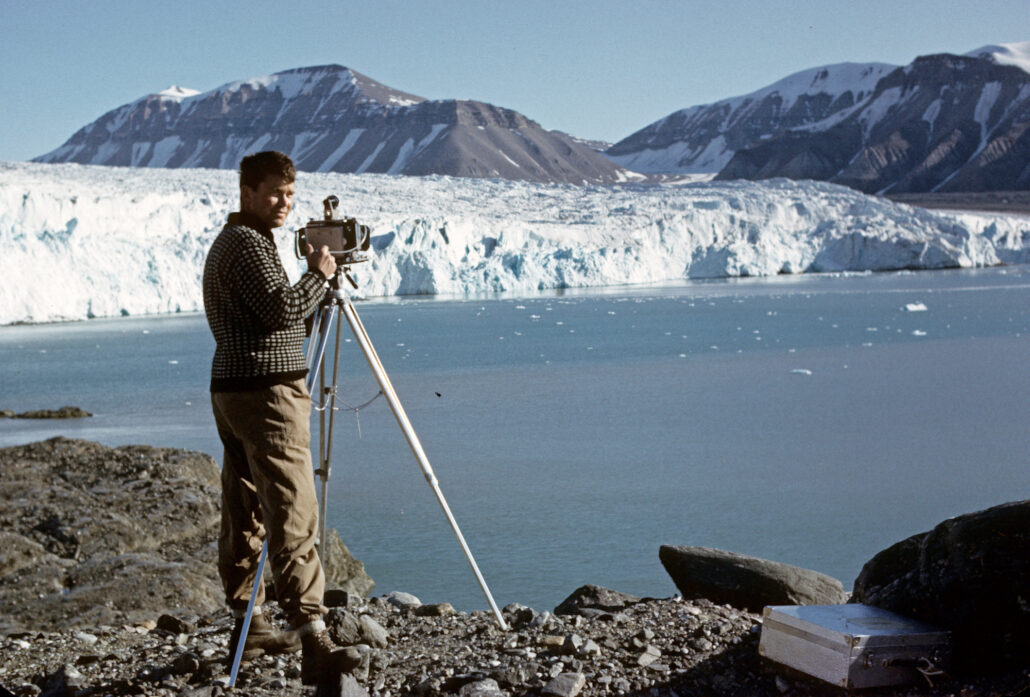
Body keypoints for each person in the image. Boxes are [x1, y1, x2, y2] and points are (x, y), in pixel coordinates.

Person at [202, 150, 359, 684]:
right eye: (273, 193)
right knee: (293, 504)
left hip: (234, 384)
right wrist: (318, 274)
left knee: (245, 504)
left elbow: (274, 320)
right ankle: (312, 635)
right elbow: (281, 312)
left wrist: (310, 286)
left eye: (289, 195)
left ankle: (251, 623)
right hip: (265, 392)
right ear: (247, 191)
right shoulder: (248, 244)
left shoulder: (240, 242)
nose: (283, 204)